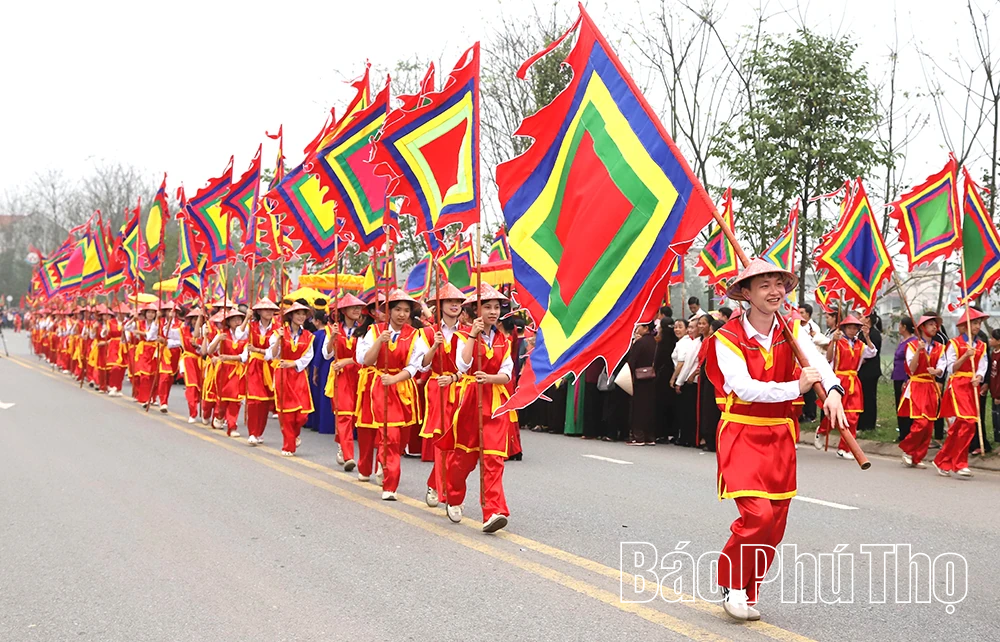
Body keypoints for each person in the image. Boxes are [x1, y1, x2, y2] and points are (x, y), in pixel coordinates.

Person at [704, 258, 846, 622]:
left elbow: (818, 363)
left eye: (778, 284)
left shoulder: (792, 329)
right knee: (758, 515)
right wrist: (795, 387)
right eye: (764, 285)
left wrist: (833, 390)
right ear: (746, 294)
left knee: (776, 522)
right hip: (741, 432)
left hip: (780, 435)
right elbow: (743, 387)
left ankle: (748, 591)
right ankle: (732, 585)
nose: (774, 292)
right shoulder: (726, 338)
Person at [441, 283, 514, 533]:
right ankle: (453, 496)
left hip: (495, 402)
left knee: (493, 458)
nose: (493, 312)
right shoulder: (462, 336)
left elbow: (507, 373)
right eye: (487, 307)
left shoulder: (504, 340)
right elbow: (462, 365)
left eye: (496, 307)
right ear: (475, 310)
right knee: (464, 458)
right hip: (471, 400)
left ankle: (493, 511)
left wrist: (490, 378)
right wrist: (473, 334)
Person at [356, 289, 429, 500]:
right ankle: (390, 486)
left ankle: (383, 460)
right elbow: (365, 360)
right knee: (390, 436)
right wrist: (380, 341)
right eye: (397, 309)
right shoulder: (374, 331)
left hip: (403, 388)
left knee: (400, 439)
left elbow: (416, 365)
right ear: (388, 311)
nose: (402, 314)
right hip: (381, 388)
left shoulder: (415, 335)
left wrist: (396, 379)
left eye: (406, 310)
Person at [419, 283, 470, 507]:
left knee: (458, 444)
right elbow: (422, 364)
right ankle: (447, 495)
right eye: (450, 301)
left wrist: (456, 377)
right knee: (441, 441)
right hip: (437, 388)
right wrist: (434, 347)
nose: (454, 305)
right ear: (439, 305)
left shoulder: (469, 332)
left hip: (461, 388)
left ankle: (435, 482)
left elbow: (470, 365)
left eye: (458, 302)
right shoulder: (427, 332)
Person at [934, 308, 989, 477]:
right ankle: (960, 463)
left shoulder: (982, 345)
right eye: (974, 323)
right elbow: (951, 368)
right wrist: (965, 356)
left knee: (961, 426)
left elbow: (983, 366)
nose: (977, 326)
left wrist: (979, 377)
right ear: (965, 326)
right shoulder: (954, 344)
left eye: (979, 323)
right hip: (957, 386)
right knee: (967, 422)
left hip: (972, 387)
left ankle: (943, 459)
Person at [814, 315, 877, 459]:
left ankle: (844, 448)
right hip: (839, 380)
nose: (852, 330)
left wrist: (867, 337)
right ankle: (822, 430)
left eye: (855, 328)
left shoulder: (860, 344)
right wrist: (833, 341)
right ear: (844, 328)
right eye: (849, 327)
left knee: (853, 415)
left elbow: (872, 352)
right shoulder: (838, 341)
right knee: (833, 412)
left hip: (854, 381)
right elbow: (829, 357)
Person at [322, 293, 366, 472]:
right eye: (353, 307)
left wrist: (347, 361)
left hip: (359, 375)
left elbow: (364, 357)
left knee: (355, 417)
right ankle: (349, 455)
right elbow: (327, 354)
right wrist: (333, 337)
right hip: (340, 377)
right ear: (343, 310)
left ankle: (341, 442)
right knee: (344, 414)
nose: (357, 310)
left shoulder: (364, 330)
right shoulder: (332, 329)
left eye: (358, 307)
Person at [898, 313, 947, 469]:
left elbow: (942, 366)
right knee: (921, 422)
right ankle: (907, 450)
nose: (934, 327)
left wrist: (937, 371)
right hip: (917, 385)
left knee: (929, 425)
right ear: (922, 328)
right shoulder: (912, 346)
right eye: (931, 324)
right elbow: (911, 369)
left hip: (931, 386)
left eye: (935, 324)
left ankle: (917, 457)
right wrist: (919, 352)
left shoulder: (940, 347)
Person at [268, 302, 316, 457]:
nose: (301, 317)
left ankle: (294, 435)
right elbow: (272, 354)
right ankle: (288, 446)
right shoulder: (278, 333)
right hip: (283, 375)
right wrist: (278, 339)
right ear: (291, 315)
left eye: (303, 314)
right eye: (298, 313)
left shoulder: (308, 336)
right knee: (287, 413)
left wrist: (294, 363)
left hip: (299, 375)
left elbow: (308, 356)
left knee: (302, 414)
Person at [242, 298, 279, 444]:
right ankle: (252, 432)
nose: (269, 312)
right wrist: (246, 317)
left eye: (271, 310)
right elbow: (239, 334)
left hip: (269, 367)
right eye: (266, 309)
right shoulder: (251, 326)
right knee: (253, 400)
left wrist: (257, 349)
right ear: (259, 311)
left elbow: (273, 352)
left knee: (265, 402)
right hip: (254, 366)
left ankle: (259, 432)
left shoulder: (278, 329)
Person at [207, 308, 248, 438]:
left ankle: (232, 426)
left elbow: (244, 356)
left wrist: (230, 357)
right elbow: (209, 350)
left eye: (239, 319)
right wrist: (218, 339)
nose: (237, 322)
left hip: (237, 370)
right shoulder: (222, 334)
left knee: (235, 399)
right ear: (228, 322)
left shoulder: (246, 336)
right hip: (223, 370)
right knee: (222, 398)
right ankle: (219, 416)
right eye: (234, 319)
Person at [626, 322, 657, 445]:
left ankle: (638, 436)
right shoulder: (655, 342)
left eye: (639, 326)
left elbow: (632, 361)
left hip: (639, 379)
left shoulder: (640, 343)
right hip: (652, 378)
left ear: (646, 328)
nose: (637, 329)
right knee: (649, 407)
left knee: (638, 408)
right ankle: (650, 436)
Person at [672, 318, 703, 446]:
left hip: (690, 380)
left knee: (688, 412)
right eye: (689, 327)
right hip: (691, 379)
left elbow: (685, 364)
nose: (690, 330)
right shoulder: (694, 342)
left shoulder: (694, 343)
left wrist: (678, 381)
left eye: (692, 327)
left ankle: (687, 438)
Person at [796, 304, 824, 422]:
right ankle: (801, 412)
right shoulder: (797, 326)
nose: (800, 315)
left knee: (811, 388)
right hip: (798, 362)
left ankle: (811, 414)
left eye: (802, 313)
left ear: (808, 314)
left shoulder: (813, 327)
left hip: (810, 361)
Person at [857, 311, 883, 432]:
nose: (859, 318)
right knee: (862, 397)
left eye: (861, 316)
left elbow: (871, 353)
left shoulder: (874, 334)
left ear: (868, 319)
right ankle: (861, 422)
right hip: (862, 371)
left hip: (870, 371)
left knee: (869, 397)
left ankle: (869, 424)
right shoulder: (860, 333)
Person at [179, 308, 205, 423]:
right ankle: (192, 412)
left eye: (199, 319)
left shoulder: (206, 332)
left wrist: (198, 347)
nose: (196, 321)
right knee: (191, 386)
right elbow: (169, 335)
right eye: (194, 319)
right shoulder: (182, 331)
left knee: (203, 388)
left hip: (202, 362)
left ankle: (206, 413)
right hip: (189, 361)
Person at [892, 317, 917, 442]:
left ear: (905, 327)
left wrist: (907, 378)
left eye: (900, 325)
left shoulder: (912, 342)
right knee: (899, 404)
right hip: (897, 375)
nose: (899, 328)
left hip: (905, 377)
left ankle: (908, 432)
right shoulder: (903, 341)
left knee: (906, 405)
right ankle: (902, 431)